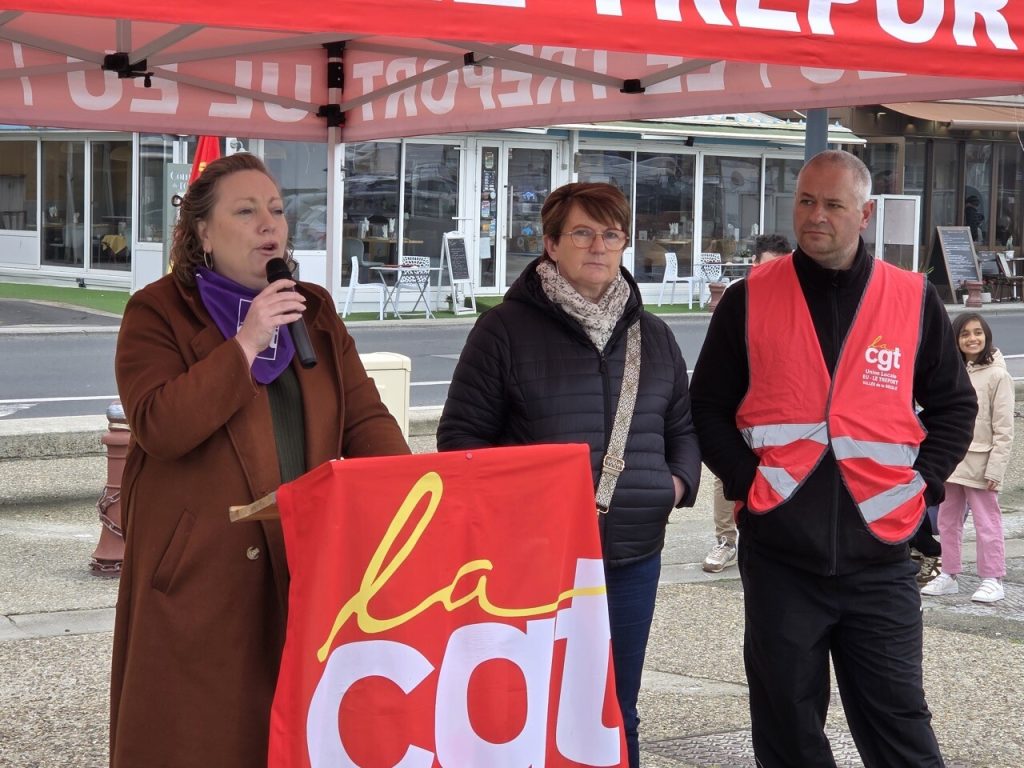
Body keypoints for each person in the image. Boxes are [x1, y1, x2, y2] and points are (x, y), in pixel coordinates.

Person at [109, 154, 410, 767]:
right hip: (203, 569)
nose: (269, 224)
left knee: (297, 728)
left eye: (276, 209)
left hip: (306, 558)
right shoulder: (157, 311)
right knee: (204, 737)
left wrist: (409, 492)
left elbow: (364, 419)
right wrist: (246, 342)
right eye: (246, 211)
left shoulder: (312, 310)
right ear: (202, 233)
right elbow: (159, 425)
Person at [690, 150, 977, 767]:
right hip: (780, 557)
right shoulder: (748, 298)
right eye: (805, 201)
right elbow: (707, 406)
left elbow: (955, 406)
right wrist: (746, 483)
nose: (815, 215)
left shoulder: (911, 297)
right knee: (787, 730)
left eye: (833, 204)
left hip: (881, 556)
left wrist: (921, 486)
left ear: (864, 214)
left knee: (900, 728)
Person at [437, 181, 701, 768]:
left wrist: (672, 487)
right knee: (528, 708)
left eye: (611, 234)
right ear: (551, 244)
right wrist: (521, 505)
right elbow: (460, 440)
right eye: (582, 233)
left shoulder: (654, 336)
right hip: (533, 562)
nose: (598, 246)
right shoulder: (504, 330)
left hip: (632, 557)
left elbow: (683, 429)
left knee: (615, 708)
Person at [703, 233, 791, 573]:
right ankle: (726, 540)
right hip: (737, 404)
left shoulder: (795, 301)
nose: (774, 276)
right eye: (767, 267)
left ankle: (770, 534)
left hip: (776, 411)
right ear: (754, 265)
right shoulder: (739, 298)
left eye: (781, 268)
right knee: (725, 474)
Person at [921, 313, 1014, 602]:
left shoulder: (998, 375)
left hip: (981, 464)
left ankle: (992, 578)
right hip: (952, 462)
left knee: (987, 523)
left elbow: (1004, 428)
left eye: (977, 332)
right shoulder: (952, 373)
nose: (972, 338)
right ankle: (949, 573)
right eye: (964, 334)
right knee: (947, 522)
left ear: (986, 336)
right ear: (955, 339)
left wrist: (996, 468)